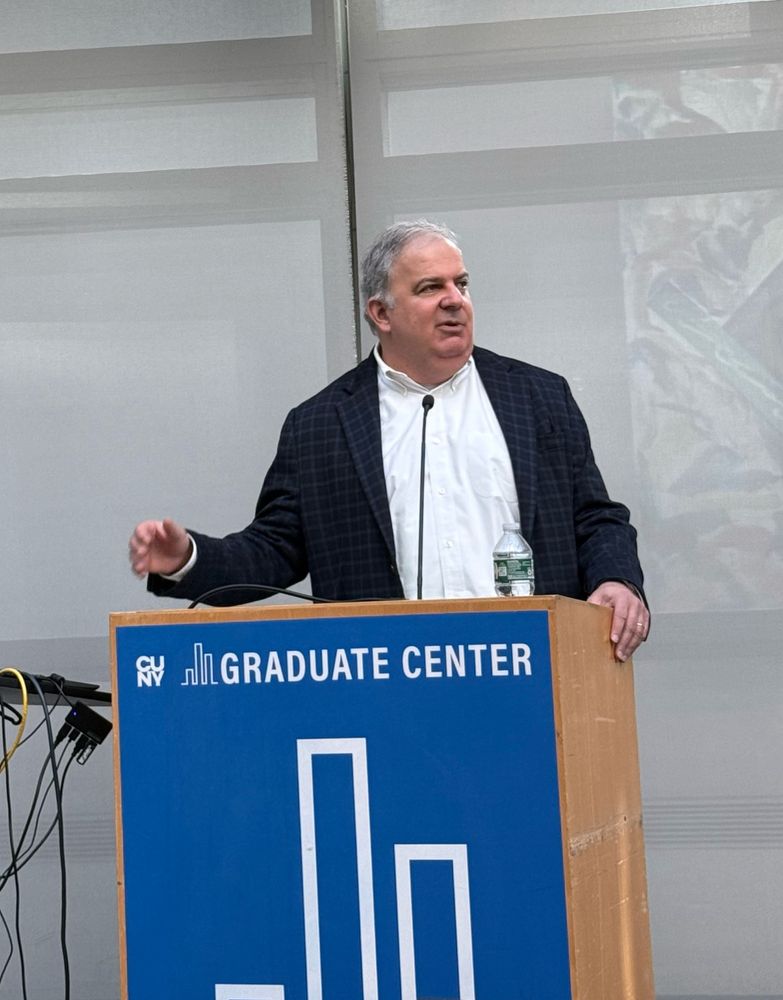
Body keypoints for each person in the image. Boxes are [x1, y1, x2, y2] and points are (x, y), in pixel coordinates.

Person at [129, 220, 649, 661]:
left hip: (537, 667)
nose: (454, 301)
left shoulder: (537, 397)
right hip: (386, 689)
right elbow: (274, 551)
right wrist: (187, 558)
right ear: (381, 314)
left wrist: (617, 581)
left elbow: (596, 518)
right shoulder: (320, 424)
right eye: (429, 288)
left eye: (461, 284)